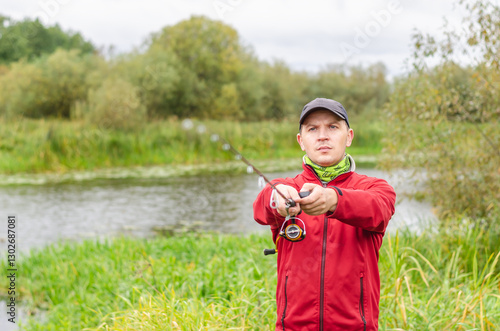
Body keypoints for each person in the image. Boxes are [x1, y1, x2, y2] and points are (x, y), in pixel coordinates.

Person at [253, 98, 396, 331]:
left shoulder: (375, 188)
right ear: (301, 141)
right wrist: (276, 199)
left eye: (332, 127)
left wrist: (334, 199)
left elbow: (378, 209)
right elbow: (260, 208)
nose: (322, 136)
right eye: (312, 129)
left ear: (349, 136)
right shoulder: (285, 187)